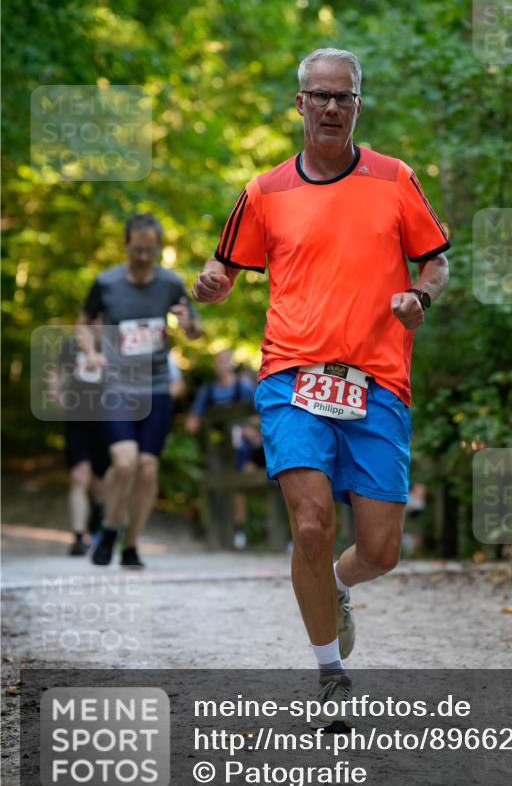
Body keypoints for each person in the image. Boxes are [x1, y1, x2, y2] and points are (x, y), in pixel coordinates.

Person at [192, 48, 449, 724]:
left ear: (357, 105)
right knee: (310, 525)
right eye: (320, 96)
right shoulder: (263, 192)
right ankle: (328, 672)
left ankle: (337, 584)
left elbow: (436, 260)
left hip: (378, 380)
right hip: (291, 375)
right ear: (299, 103)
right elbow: (222, 274)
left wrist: (420, 295)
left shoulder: (395, 180)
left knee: (380, 551)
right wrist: (210, 288)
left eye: (344, 97)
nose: (332, 107)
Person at [78, 213, 202, 568]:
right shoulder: (106, 283)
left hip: (157, 385)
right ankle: (110, 526)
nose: (144, 257)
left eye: (150, 251)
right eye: (137, 250)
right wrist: (91, 353)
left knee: (147, 468)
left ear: (158, 248)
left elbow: (195, 331)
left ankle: (129, 545)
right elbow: (83, 325)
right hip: (118, 382)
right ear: (125, 245)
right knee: (125, 460)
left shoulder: (170, 283)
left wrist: (188, 323)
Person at [185, 349, 256, 549]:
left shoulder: (243, 386)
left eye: (225, 360)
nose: (221, 365)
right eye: (218, 361)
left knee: (240, 480)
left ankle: (239, 528)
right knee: (217, 483)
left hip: (241, 445)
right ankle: (220, 531)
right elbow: (192, 423)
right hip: (216, 447)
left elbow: (257, 414)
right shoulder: (208, 391)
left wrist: (250, 430)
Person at [51, 333, 108, 555]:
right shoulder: (72, 345)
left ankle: (99, 520)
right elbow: (56, 372)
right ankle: (77, 536)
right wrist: (55, 391)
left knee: (100, 483)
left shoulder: (114, 344)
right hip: (77, 417)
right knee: (79, 475)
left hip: (106, 419)